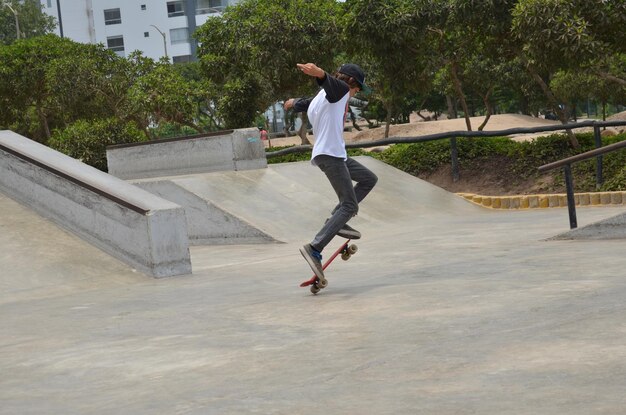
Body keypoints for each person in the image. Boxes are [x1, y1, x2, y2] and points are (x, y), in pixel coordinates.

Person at [284, 63, 378, 283]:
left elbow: (304, 103)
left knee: (368, 179)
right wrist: (317, 72)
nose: (356, 94)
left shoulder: (321, 96)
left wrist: (291, 103)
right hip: (331, 155)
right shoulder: (341, 89)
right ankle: (315, 247)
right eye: (358, 89)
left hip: (338, 154)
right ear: (351, 82)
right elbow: (328, 79)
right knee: (349, 205)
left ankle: (336, 221)